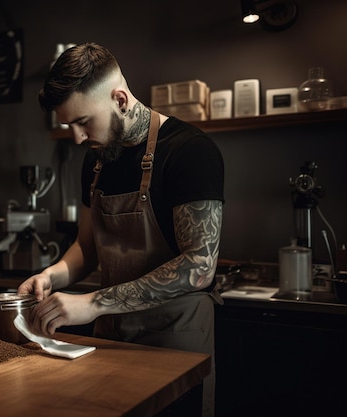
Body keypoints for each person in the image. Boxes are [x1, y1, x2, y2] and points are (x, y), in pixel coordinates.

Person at [17, 42, 224, 417]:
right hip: (111, 335)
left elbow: (199, 266)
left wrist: (91, 304)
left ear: (120, 99)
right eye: (69, 126)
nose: (78, 138)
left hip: (175, 336)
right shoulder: (96, 161)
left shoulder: (190, 151)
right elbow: (86, 247)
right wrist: (52, 276)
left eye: (83, 121)